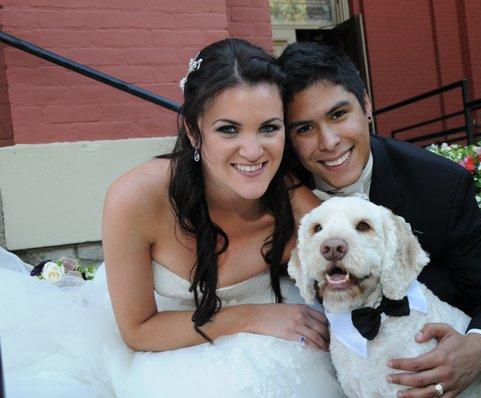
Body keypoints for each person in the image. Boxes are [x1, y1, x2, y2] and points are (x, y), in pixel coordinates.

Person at [0, 39, 345, 398]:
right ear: (194, 132)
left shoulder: (299, 207)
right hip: (164, 342)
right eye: (229, 129)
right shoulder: (136, 198)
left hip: (276, 346)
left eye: (268, 128)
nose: (253, 151)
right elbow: (137, 330)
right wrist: (251, 317)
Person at [279, 41, 481, 398]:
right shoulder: (274, 193)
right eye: (304, 128)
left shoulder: (439, 185)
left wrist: (474, 352)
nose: (329, 141)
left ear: (366, 105)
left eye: (339, 114)